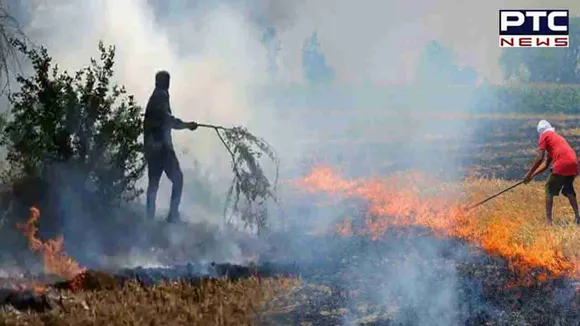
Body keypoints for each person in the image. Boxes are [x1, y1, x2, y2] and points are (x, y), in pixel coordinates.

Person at [143, 70, 198, 223]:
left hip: (152, 148)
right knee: (177, 179)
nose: (168, 84)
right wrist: (187, 125)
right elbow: (168, 120)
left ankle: (149, 219)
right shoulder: (160, 97)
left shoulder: (156, 97)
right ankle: (172, 215)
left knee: (153, 185)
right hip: (162, 148)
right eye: (166, 81)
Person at [524, 120, 580, 225]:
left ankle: (549, 222)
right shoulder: (555, 138)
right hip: (574, 164)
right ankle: (578, 216)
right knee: (568, 190)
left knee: (549, 190)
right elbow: (546, 164)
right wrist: (532, 175)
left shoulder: (544, 136)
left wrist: (528, 174)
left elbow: (540, 158)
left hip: (562, 163)